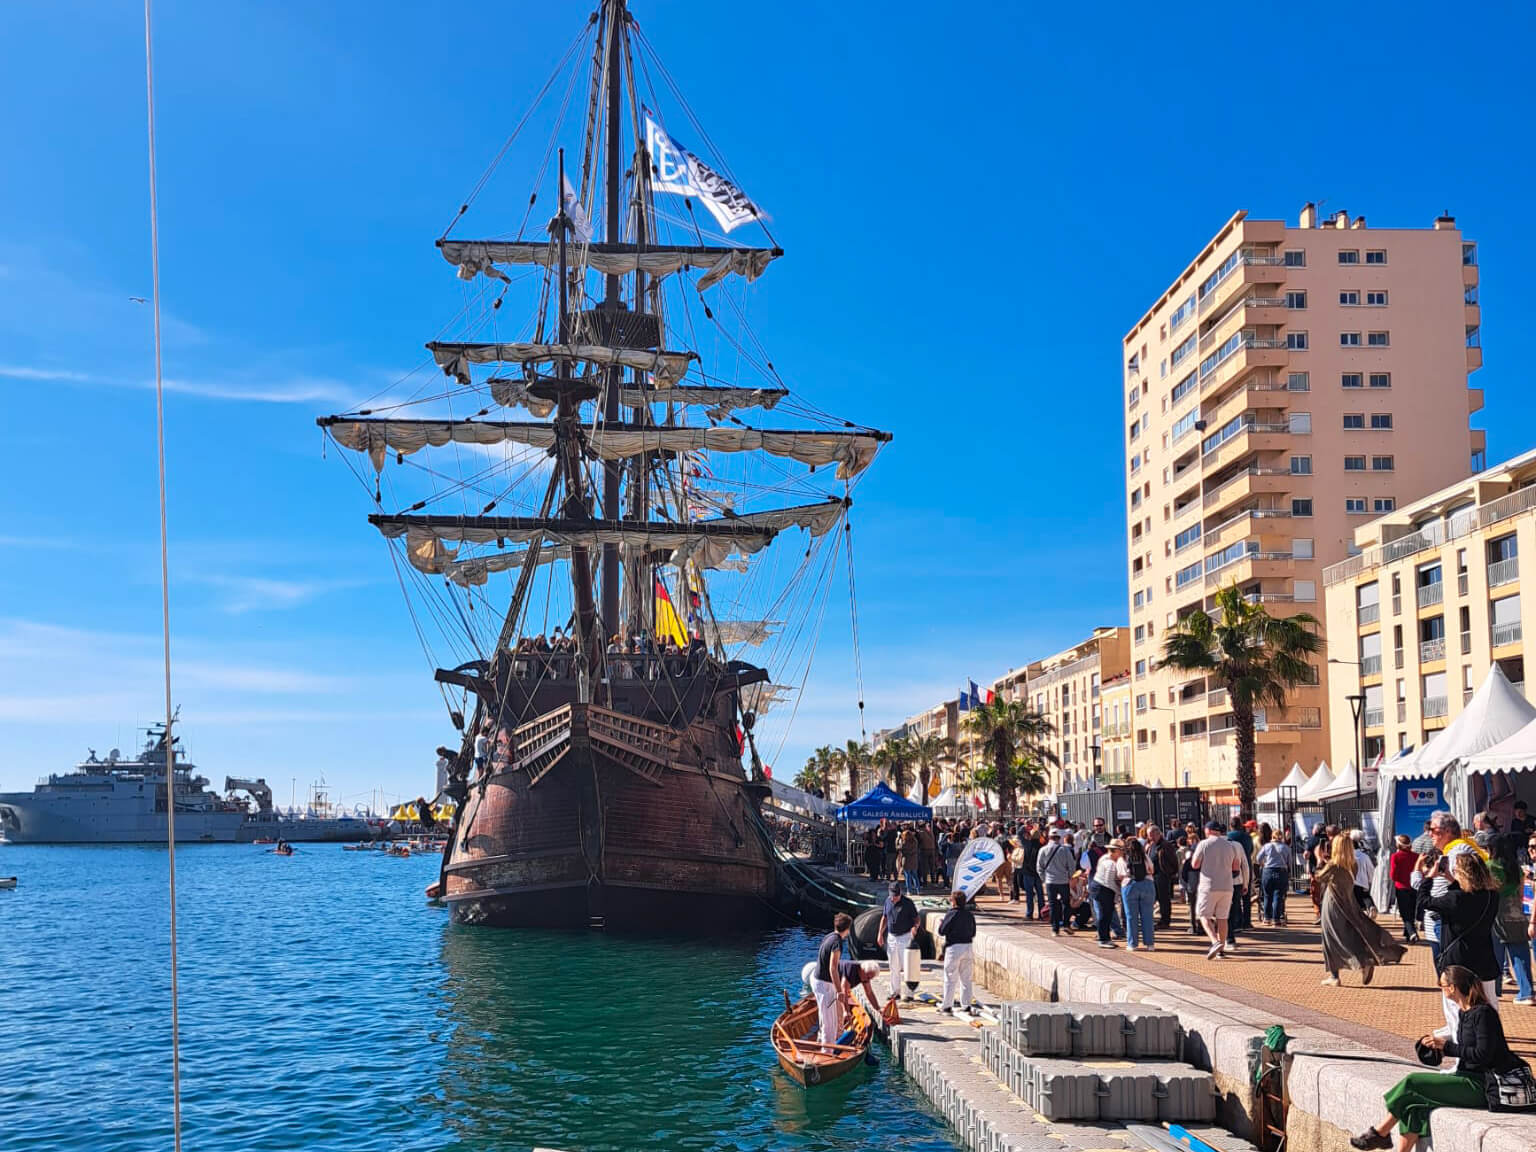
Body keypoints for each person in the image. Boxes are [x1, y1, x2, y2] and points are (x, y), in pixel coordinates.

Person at [1350, 965, 1527, 1151]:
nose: (1440, 989)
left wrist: (1447, 1047)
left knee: (1412, 1082)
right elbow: (1465, 1050)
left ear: (1452, 988)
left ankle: (1380, 1133)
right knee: (1414, 1106)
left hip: (1484, 1085)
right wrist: (1438, 1049)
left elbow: (1483, 1055)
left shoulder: (1483, 1014)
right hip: (1464, 1077)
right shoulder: (1464, 1013)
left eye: (1440, 985)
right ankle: (1388, 1142)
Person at [1422, 850, 1501, 1035]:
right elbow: (1471, 895)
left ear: (1463, 874)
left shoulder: (1456, 899)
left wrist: (1429, 877)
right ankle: (1492, 1042)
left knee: (1455, 1008)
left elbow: (1425, 902)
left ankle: (1462, 1054)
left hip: (1458, 961)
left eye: (1456, 871)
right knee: (1490, 1005)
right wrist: (1452, 879)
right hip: (1484, 958)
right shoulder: (1492, 896)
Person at [1317, 831, 1405, 986]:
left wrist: (1320, 859)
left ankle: (1335, 975)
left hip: (1333, 904)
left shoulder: (1333, 866)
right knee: (1352, 935)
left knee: (1331, 938)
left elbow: (1318, 877)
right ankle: (1365, 961)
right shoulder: (1353, 864)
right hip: (1349, 903)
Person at [1487, 833, 1535, 1007]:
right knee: (1520, 954)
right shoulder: (1516, 867)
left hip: (1496, 915)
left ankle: (1495, 989)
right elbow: (1521, 892)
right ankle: (1527, 992)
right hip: (1516, 912)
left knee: (1495, 954)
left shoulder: (1490, 866)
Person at [1190, 821, 1243, 959]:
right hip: (1227, 886)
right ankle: (1221, 948)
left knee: (1203, 915)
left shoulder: (1204, 844)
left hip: (1209, 885)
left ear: (1209, 830)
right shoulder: (1230, 845)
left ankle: (1215, 941)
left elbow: (1195, 864)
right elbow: (1236, 867)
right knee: (1223, 917)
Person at [812, 913, 854, 1044]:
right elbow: (833, 968)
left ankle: (823, 1041)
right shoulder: (837, 943)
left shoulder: (829, 936)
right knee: (829, 1024)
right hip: (824, 984)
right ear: (847, 929)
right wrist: (839, 991)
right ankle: (827, 1051)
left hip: (817, 980)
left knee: (825, 1017)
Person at [878, 880, 920, 1004]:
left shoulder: (908, 903)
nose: (894, 898)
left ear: (900, 893)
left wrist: (915, 927)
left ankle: (909, 993)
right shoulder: (887, 901)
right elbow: (884, 917)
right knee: (893, 965)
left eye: (896, 895)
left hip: (905, 936)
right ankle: (895, 991)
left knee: (906, 965)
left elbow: (916, 918)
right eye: (892, 895)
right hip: (892, 936)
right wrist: (880, 933)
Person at [938, 889, 978, 1016]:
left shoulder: (952, 913)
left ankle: (947, 1006)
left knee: (950, 977)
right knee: (966, 978)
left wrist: (941, 924)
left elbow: (942, 931)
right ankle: (966, 1005)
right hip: (968, 946)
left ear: (954, 902)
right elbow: (973, 932)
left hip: (954, 948)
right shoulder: (969, 914)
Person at [1119, 836, 1156, 951]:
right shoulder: (1145, 857)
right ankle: (1150, 944)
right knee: (1147, 916)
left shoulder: (1123, 858)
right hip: (1147, 884)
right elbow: (1152, 870)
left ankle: (1132, 944)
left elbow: (1120, 874)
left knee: (1131, 917)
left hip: (1129, 885)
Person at [1038, 828, 1075, 936]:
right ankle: (1066, 924)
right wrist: (1069, 876)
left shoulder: (1043, 850)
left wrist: (1044, 879)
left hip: (1050, 881)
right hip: (1063, 880)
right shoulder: (1065, 850)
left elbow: (1039, 867)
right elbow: (1071, 866)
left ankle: (1055, 929)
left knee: (1053, 904)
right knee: (1066, 903)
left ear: (1049, 837)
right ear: (1060, 838)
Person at [1255, 824, 1292, 927]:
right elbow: (1289, 862)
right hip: (1281, 871)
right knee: (1278, 896)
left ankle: (1267, 918)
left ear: (1272, 836)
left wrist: (1264, 864)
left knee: (1267, 895)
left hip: (1268, 871)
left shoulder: (1267, 846)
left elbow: (1258, 858)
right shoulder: (1286, 847)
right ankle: (1276, 919)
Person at [1091, 840, 1124, 949]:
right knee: (1104, 914)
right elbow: (1108, 881)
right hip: (1103, 888)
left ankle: (1106, 938)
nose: (1122, 853)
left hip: (1101, 887)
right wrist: (1118, 893)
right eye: (1120, 850)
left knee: (1106, 914)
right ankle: (1103, 939)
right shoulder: (1110, 863)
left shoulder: (1105, 859)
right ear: (1115, 851)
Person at [1388, 834, 1421, 944]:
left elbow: (1393, 875)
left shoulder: (1395, 857)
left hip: (1401, 887)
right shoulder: (1416, 856)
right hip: (1414, 887)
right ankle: (1408, 934)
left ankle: (1412, 933)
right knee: (1411, 911)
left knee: (1405, 913)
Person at [1149, 825, 1178, 930]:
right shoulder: (1152, 845)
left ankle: (1165, 921)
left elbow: (1173, 860)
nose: (1150, 838)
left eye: (1152, 835)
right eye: (1149, 836)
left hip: (1163, 876)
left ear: (1158, 834)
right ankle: (1160, 919)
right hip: (1153, 876)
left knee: (1164, 899)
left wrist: (1171, 873)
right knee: (1155, 899)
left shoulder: (1166, 845)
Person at [1015, 825, 1043, 919]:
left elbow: (1019, 834)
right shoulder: (1041, 847)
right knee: (1040, 894)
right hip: (1038, 873)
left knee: (1029, 894)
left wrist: (1024, 825)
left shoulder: (1026, 844)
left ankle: (1029, 913)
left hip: (1027, 872)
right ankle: (1042, 914)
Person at [1352, 830, 1377, 914]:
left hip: (1352, 881)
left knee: (1357, 899)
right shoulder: (1364, 855)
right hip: (1363, 880)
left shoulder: (1347, 857)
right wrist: (1370, 880)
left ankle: (1363, 911)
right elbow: (1370, 869)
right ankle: (1370, 906)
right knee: (1365, 895)